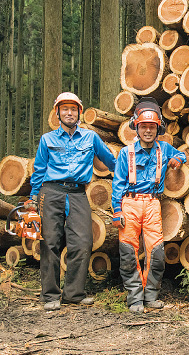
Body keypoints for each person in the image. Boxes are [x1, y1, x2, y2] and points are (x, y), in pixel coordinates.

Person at [25, 92, 117, 311]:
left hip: (77, 193)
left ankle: (74, 294)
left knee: (83, 241)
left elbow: (111, 161)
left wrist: (130, 172)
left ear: (79, 113)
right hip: (51, 191)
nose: (69, 113)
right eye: (64, 109)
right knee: (50, 242)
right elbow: (39, 170)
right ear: (57, 113)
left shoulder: (91, 138)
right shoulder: (47, 139)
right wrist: (32, 198)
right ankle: (50, 295)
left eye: (73, 109)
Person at [111, 97, 186, 313]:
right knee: (128, 251)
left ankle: (150, 295)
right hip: (130, 203)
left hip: (153, 203)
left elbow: (183, 155)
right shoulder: (127, 152)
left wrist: (178, 161)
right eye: (143, 126)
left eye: (151, 127)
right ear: (137, 127)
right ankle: (134, 297)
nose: (148, 131)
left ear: (158, 128)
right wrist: (116, 210)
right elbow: (117, 183)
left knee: (156, 251)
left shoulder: (165, 148)